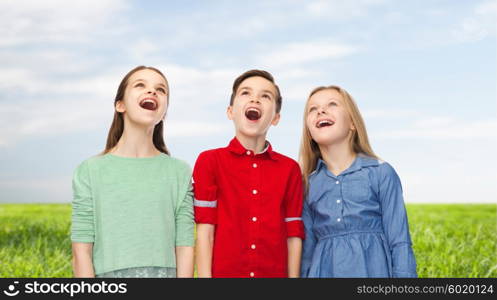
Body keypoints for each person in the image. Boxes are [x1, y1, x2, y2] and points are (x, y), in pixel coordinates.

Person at [71, 66, 194, 278]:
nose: (152, 92)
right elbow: (81, 251)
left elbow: (184, 246)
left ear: (164, 111)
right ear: (120, 105)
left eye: (161, 89)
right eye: (140, 85)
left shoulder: (179, 172)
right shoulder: (90, 171)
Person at [194, 69, 304, 278]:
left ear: (276, 118)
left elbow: (293, 234)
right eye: (245, 93)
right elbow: (205, 231)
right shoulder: (209, 161)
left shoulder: (289, 169)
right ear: (230, 111)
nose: (255, 98)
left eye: (265, 96)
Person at [299, 85, 417, 278]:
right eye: (313, 109)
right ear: (309, 131)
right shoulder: (307, 185)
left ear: (352, 123)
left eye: (332, 104)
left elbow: (400, 241)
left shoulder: (380, 173)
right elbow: (307, 254)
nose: (320, 110)